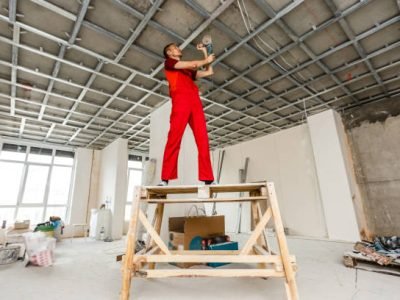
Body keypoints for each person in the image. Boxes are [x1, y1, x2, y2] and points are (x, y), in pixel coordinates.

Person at [158, 42, 216, 186]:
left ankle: (208, 178)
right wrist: (205, 60)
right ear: (170, 53)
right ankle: (165, 178)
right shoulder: (169, 63)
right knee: (174, 139)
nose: (179, 49)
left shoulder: (188, 71)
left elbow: (209, 72)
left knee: (202, 139)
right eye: (175, 48)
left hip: (195, 102)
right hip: (180, 102)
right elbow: (194, 64)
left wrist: (205, 52)